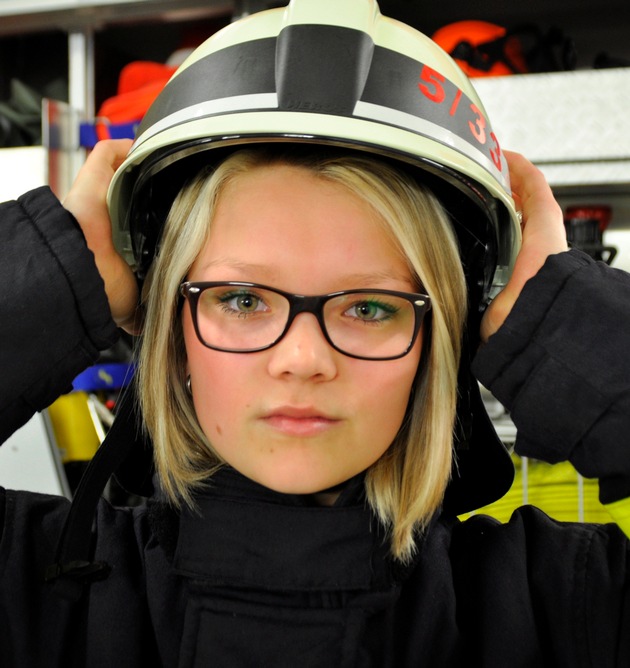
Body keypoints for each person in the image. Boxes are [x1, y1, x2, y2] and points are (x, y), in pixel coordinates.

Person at [0, 1, 628, 665]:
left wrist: (559, 325)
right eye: (242, 298)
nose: (303, 359)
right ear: (170, 328)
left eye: (369, 307)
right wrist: (59, 280)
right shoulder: (36, 594)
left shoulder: (566, 608)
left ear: (442, 337)